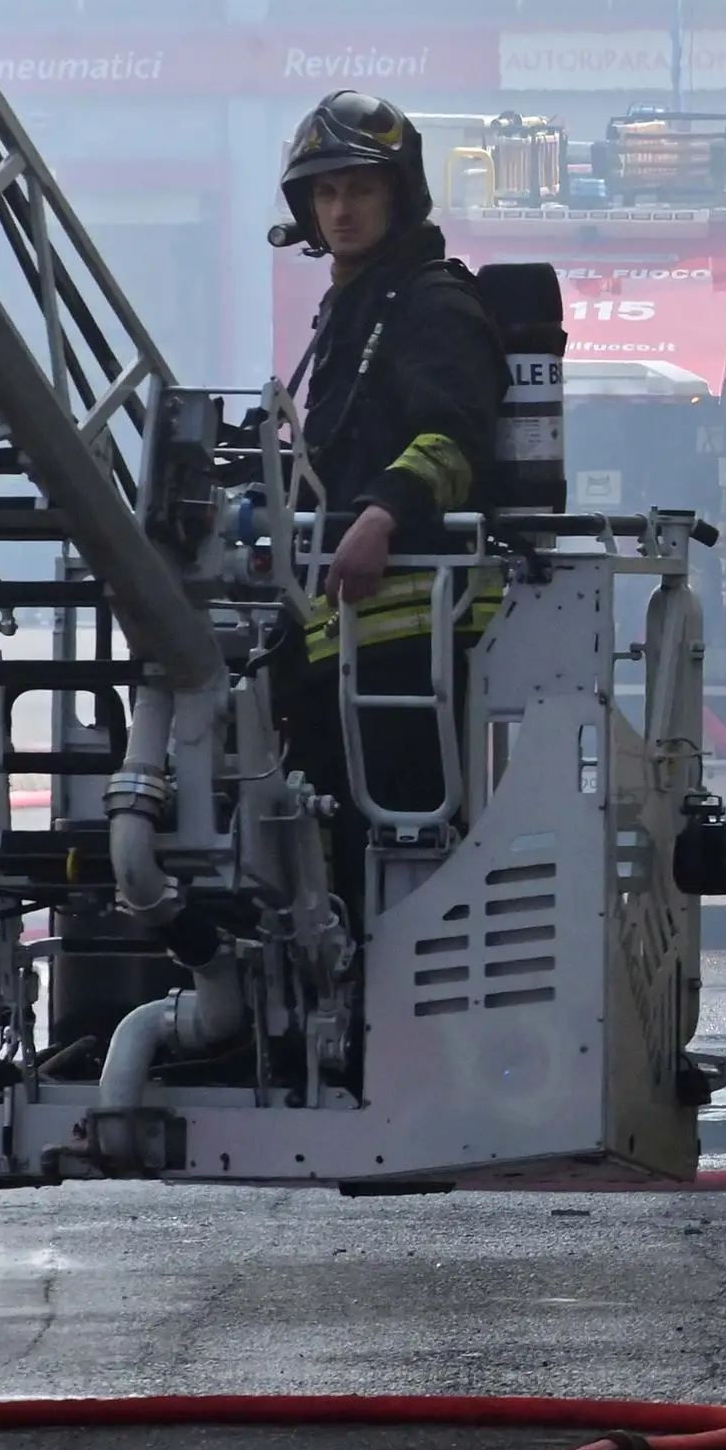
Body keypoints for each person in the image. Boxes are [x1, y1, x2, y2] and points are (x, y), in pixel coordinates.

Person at [270, 91, 504, 896]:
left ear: (399, 195)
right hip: (348, 645)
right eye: (325, 192)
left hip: (417, 651)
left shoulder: (431, 305)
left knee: (392, 862)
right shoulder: (356, 308)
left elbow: (454, 437)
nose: (341, 210)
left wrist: (381, 514)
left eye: (361, 189)